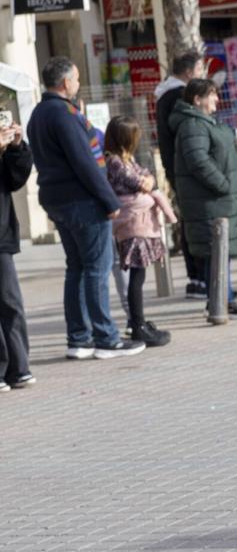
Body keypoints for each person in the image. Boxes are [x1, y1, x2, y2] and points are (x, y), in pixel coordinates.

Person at [27, 58, 145, 360]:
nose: (78, 83)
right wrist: (109, 200)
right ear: (65, 83)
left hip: (57, 198)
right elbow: (85, 162)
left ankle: (79, 338)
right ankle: (106, 338)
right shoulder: (64, 115)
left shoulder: (40, 113)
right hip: (81, 201)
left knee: (77, 268)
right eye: (76, 78)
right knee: (96, 268)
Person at [171, 78, 237, 320]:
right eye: (212, 95)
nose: (217, 99)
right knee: (215, 251)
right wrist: (223, 184)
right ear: (197, 100)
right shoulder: (193, 126)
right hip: (209, 201)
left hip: (217, 200)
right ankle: (221, 300)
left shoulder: (204, 123)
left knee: (219, 252)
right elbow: (198, 160)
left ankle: (223, 297)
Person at [104, 116, 173, 347]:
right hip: (132, 223)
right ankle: (137, 324)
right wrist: (149, 183)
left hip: (140, 222)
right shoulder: (114, 162)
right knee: (136, 274)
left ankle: (138, 322)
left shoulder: (127, 159)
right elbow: (139, 182)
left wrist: (150, 179)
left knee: (139, 274)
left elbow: (146, 175)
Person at [154, 51, 208, 299]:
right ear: (188, 72)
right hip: (185, 170)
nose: (202, 75)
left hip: (178, 169)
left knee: (191, 221)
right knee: (194, 223)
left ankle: (198, 277)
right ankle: (198, 277)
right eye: (200, 70)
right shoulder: (178, 97)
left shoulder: (167, 96)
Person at [0, 119, 33, 390]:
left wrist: (16, 146)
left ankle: (19, 368)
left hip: (1, 235)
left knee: (11, 302)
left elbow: (14, 180)